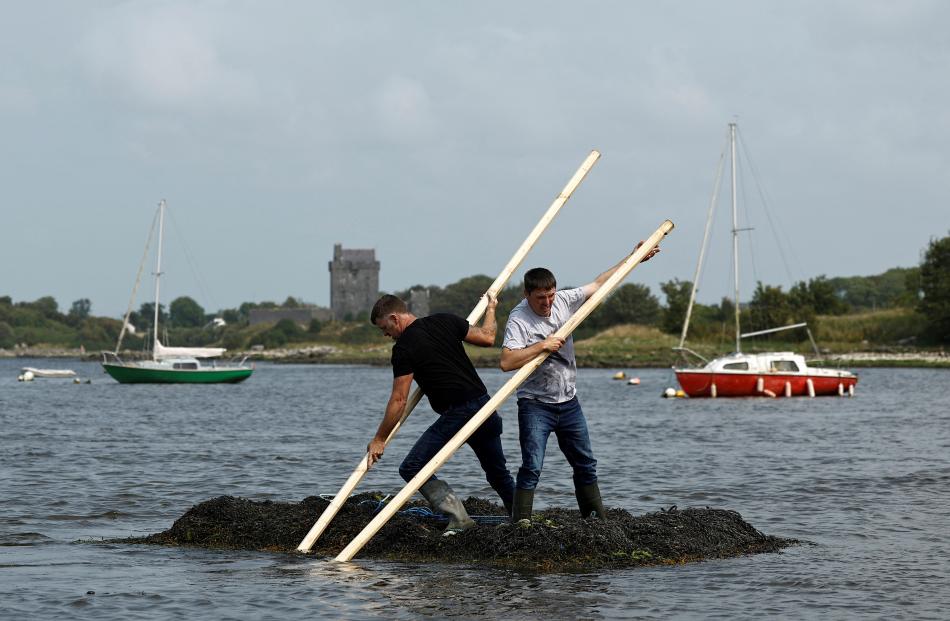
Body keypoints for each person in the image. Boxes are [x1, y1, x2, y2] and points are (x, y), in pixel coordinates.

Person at [500, 244, 659, 522]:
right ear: (527, 295)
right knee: (532, 466)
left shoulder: (563, 300)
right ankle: (521, 521)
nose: (547, 303)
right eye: (540, 298)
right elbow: (507, 362)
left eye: (550, 296)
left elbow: (600, 283)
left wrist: (634, 258)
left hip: (569, 402)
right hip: (535, 405)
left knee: (585, 463)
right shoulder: (519, 319)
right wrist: (542, 346)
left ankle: (595, 519)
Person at [367, 293, 515, 533]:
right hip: (484, 406)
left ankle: (459, 519)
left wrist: (379, 439)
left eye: (385, 328)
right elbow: (488, 337)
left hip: (459, 413)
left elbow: (399, 399)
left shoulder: (404, 348)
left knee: (411, 467)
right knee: (498, 474)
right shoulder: (444, 320)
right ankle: (522, 518)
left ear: (395, 318)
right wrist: (491, 309)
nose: (386, 335)